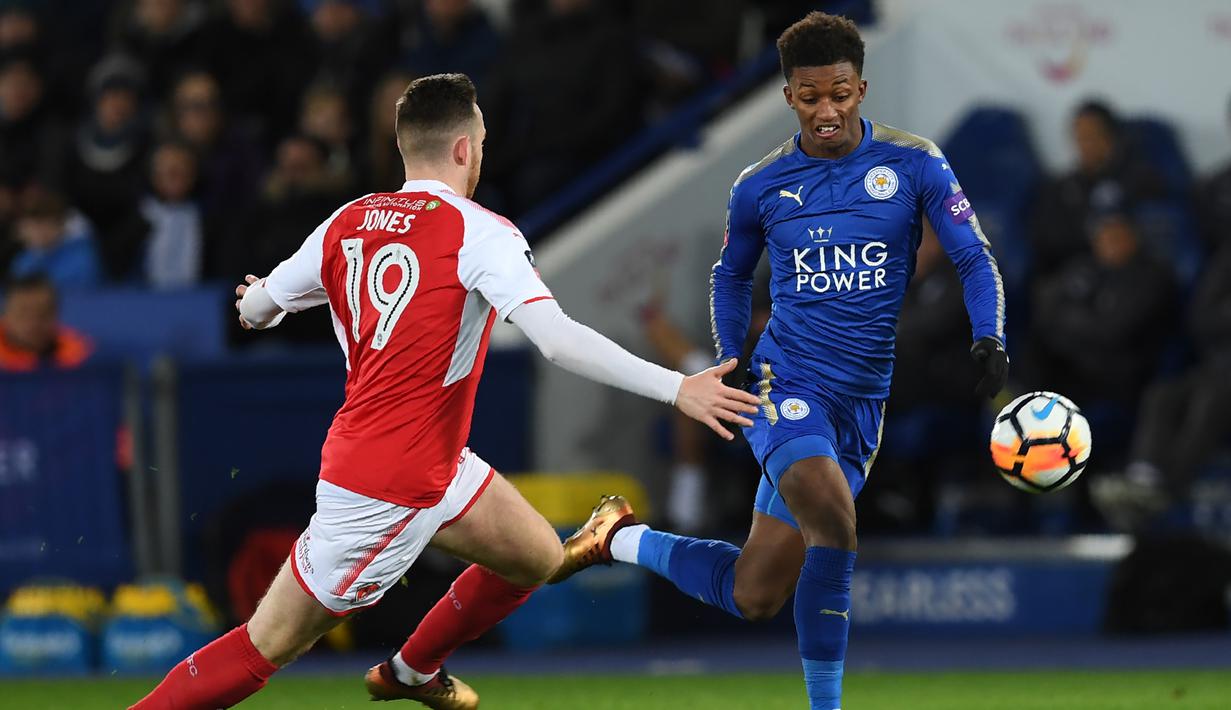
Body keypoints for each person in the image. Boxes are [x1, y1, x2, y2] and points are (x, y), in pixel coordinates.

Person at [128, 72, 758, 710]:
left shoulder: (347, 221)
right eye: (480, 136)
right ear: (465, 149)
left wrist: (259, 297)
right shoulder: (481, 233)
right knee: (265, 645)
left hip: (431, 459)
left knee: (537, 558)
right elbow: (558, 340)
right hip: (382, 487)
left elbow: (258, 309)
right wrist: (678, 387)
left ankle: (411, 671)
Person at [548, 13, 1008, 710]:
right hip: (781, 383)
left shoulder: (913, 162)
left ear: (861, 89)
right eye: (810, 95)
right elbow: (729, 275)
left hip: (860, 406)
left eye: (840, 93)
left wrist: (989, 334)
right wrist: (732, 356)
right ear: (788, 96)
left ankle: (621, 538)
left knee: (754, 594)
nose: (827, 110)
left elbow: (973, 257)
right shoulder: (760, 183)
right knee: (833, 520)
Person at [0, 272, 92, 371]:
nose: (34, 322)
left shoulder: (80, 357)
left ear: (56, 315)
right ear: (6, 315)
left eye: (43, 313)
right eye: (23, 313)